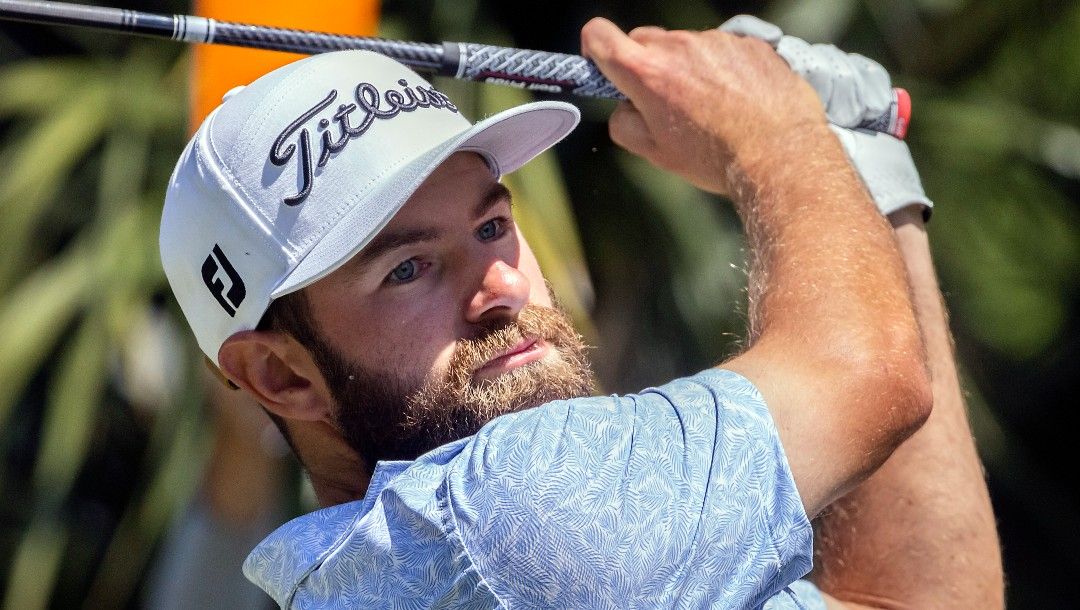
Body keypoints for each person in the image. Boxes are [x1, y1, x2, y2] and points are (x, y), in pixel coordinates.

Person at [158, 13, 1002, 609]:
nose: (502, 289)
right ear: (277, 372)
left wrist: (865, 176)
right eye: (408, 268)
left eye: (493, 225)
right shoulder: (500, 523)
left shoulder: (403, 568)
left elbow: (918, 597)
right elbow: (872, 375)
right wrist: (779, 138)